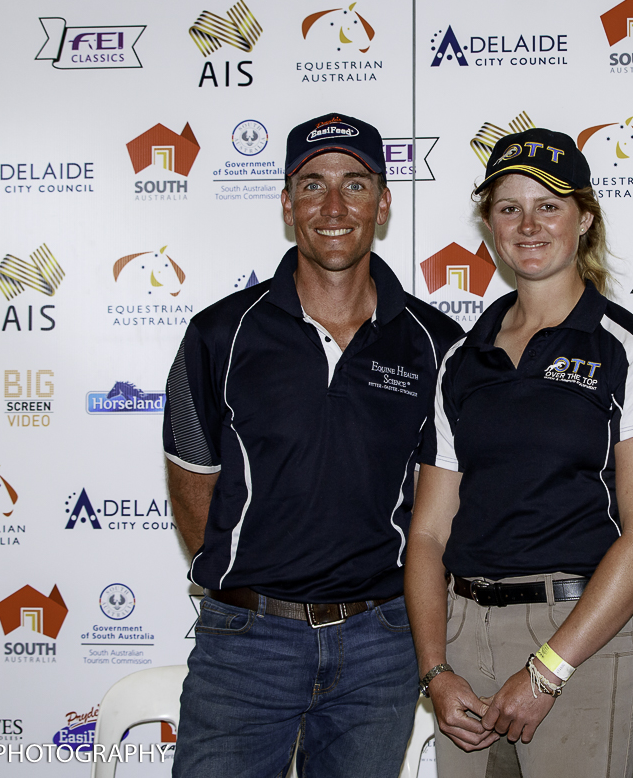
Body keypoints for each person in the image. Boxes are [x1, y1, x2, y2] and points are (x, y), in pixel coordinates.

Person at [163, 112, 463, 778]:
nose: (334, 206)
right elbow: (194, 490)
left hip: (382, 644)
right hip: (246, 645)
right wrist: (253, 593)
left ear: (383, 203)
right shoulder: (218, 334)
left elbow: (444, 509)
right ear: (287, 202)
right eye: (313, 185)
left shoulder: (437, 345)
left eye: (355, 185)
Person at [405, 128, 633, 778]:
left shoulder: (627, 349)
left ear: (584, 218)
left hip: (579, 641)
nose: (528, 225)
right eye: (509, 208)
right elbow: (425, 533)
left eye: (549, 205)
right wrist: (435, 670)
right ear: (489, 222)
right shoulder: (460, 358)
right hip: (462, 639)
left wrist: (546, 672)